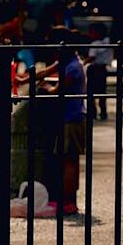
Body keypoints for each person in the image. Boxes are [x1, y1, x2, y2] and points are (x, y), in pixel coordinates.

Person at [38, 27, 87, 215]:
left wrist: (44, 87)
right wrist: (22, 79)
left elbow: (56, 90)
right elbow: (44, 72)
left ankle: (68, 201)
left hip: (72, 119)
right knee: (67, 159)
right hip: (68, 118)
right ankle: (68, 200)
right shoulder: (67, 61)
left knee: (70, 160)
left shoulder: (73, 67)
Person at [85, 22, 113, 120]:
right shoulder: (108, 42)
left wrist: (83, 63)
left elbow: (92, 57)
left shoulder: (94, 44)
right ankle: (103, 112)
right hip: (103, 69)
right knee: (102, 92)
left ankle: (92, 112)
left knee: (91, 92)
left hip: (94, 69)